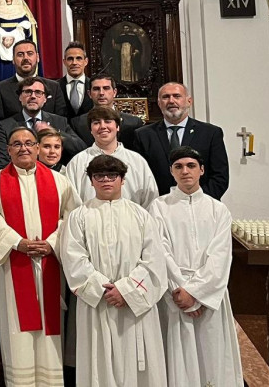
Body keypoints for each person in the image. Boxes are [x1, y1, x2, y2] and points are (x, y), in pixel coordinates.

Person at [0, 127, 81, 387]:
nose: (23, 148)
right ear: (8, 150)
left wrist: (51, 243)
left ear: (38, 148)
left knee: (49, 328)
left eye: (29, 143)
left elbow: (73, 219)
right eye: (17, 144)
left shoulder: (60, 181)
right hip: (14, 264)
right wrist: (18, 243)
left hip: (49, 263)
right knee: (17, 330)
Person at [61, 154, 168, 386]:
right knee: (98, 366)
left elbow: (154, 261)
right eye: (99, 175)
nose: (106, 180)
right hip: (97, 304)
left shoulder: (141, 215)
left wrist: (126, 290)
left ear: (123, 179)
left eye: (112, 175)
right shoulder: (79, 216)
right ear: (91, 181)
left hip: (133, 306)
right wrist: (104, 289)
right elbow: (74, 258)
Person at [149, 147, 242, 387]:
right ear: (171, 172)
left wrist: (196, 294)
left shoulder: (218, 210)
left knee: (213, 358)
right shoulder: (159, 207)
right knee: (179, 361)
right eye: (178, 167)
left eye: (191, 166)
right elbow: (160, 252)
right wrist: (180, 292)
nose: (185, 171)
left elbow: (220, 256)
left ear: (202, 170)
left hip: (211, 298)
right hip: (174, 297)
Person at [135, 82, 229, 198]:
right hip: (159, 207)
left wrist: (196, 201)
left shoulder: (211, 133)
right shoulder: (143, 135)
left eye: (177, 96)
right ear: (159, 103)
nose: (171, 101)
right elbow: (140, 177)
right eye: (166, 97)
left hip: (202, 207)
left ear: (189, 101)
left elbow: (220, 176)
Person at [63, 106, 159, 208]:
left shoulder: (137, 160)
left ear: (117, 127)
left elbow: (150, 199)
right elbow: (71, 202)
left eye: (108, 121)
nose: (102, 126)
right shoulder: (77, 162)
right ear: (90, 130)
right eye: (96, 123)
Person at [0, 77, 85, 169]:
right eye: (28, 92)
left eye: (38, 92)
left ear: (45, 98)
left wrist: (54, 131)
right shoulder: (5, 125)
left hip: (53, 176)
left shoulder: (59, 121)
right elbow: (1, 162)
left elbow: (80, 149)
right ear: (20, 97)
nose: (33, 96)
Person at [0, 41, 67, 120]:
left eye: (30, 53)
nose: (25, 58)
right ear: (13, 59)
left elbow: (61, 122)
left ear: (37, 57)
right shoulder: (0, 89)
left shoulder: (54, 87)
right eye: (20, 54)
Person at [68, 74, 143, 148]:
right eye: (96, 89)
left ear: (114, 92)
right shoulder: (77, 124)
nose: (101, 93)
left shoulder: (134, 122)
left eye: (106, 88)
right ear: (89, 94)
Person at [57, 42, 92, 119]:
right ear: (64, 62)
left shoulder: (94, 86)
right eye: (70, 59)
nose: (74, 63)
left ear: (86, 61)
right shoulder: (55, 86)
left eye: (78, 58)